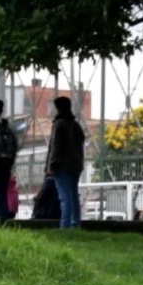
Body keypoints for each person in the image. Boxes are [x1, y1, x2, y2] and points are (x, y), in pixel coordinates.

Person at [46, 96, 85, 229]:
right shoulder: (75, 124)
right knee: (73, 195)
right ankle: (75, 223)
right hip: (76, 165)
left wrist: (51, 164)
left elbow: (56, 146)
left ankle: (65, 225)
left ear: (57, 108)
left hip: (62, 165)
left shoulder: (59, 124)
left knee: (64, 196)